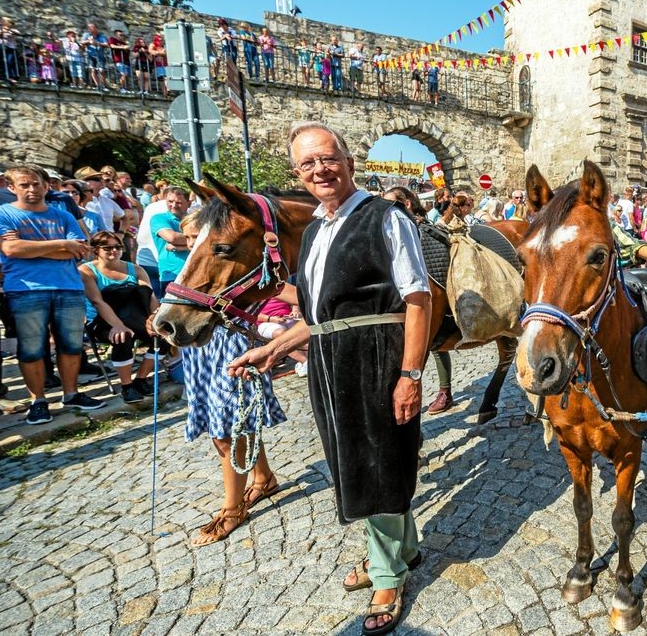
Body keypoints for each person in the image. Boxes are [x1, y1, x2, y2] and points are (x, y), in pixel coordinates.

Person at [229, 121, 432, 634]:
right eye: (308, 163)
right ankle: (403, 548)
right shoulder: (318, 229)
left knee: (379, 461)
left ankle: (387, 573)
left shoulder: (385, 217)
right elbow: (321, 315)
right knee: (355, 459)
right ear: (298, 174)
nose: (320, 169)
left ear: (349, 160)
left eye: (328, 158)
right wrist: (273, 348)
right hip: (329, 361)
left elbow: (418, 299)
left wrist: (410, 373)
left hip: (376, 358)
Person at [170, 213, 286, 546]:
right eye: (191, 238)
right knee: (230, 421)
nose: (195, 244)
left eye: (201, 238)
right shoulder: (193, 267)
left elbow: (281, 289)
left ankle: (232, 509)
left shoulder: (230, 264)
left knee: (228, 428)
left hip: (232, 348)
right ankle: (262, 477)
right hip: (200, 350)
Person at [0, 165, 105, 425]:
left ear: (46, 186)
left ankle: (71, 393)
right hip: (26, 289)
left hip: (68, 286)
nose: (32, 189)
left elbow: (81, 250)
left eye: (36, 183)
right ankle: (39, 400)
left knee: (70, 345)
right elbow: (11, 248)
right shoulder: (3, 214)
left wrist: (33, 248)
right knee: (31, 348)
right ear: (12, 188)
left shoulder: (63, 215)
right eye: (24, 185)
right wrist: (61, 245)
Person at [80, 231, 162, 402]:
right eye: (107, 248)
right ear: (96, 250)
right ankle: (127, 386)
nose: (114, 251)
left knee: (164, 336)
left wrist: (155, 319)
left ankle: (141, 378)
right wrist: (118, 325)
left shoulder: (136, 269)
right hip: (102, 321)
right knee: (122, 336)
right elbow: (97, 301)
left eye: (118, 247)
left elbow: (151, 296)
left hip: (136, 317)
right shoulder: (87, 271)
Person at [150, 187, 191, 291]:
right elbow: (172, 237)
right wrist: (196, 241)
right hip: (171, 275)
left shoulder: (196, 219)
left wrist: (182, 247)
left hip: (195, 273)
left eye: (179, 203)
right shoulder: (159, 218)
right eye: (170, 201)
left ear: (189, 203)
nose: (173, 206)